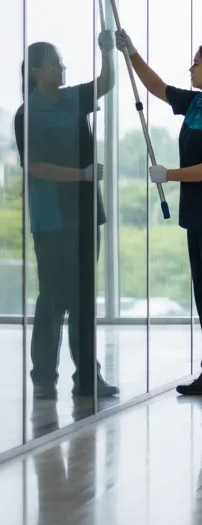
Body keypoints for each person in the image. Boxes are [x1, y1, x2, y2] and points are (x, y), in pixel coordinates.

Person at [114, 29, 202, 400]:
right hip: (198, 214)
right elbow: (158, 88)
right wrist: (132, 54)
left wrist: (168, 174)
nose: (191, 68)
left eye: (196, 62)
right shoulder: (198, 105)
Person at [14, 35, 119, 401]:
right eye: (55, 62)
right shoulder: (27, 114)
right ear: (37, 70)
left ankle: (88, 378)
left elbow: (106, 83)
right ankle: (44, 378)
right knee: (53, 299)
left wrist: (107, 50)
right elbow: (37, 167)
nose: (62, 68)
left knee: (83, 299)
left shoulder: (72, 99)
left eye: (61, 62)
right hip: (53, 219)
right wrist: (82, 174)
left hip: (86, 214)